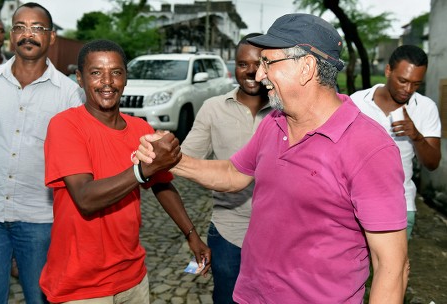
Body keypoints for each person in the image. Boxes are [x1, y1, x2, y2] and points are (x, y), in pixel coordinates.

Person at [134, 14, 410, 303]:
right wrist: (171, 159)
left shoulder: (370, 148)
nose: (258, 75)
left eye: (268, 62)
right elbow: (233, 173)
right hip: (250, 296)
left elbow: (391, 267)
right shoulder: (275, 122)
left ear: (307, 67)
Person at [39, 39, 211, 303]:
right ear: (79, 79)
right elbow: (85, 198)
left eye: (116, 72)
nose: (107, 81)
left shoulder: (140, 129)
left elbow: (162, 185)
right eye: (96, 72)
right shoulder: (65, 126)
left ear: (126, 78)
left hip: (132, 277)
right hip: (80, 284)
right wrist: (143, 169)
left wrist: (191, 234)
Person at [0, 3, 85, 303]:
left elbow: (82, 155)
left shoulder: (69, 95)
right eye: (20, 27)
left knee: (40, 297)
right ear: (11, 35)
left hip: (40, 218)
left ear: (51, 38)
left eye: (37, 28)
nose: (27, 35)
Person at [181, 33, 270, 303]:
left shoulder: (286, 112)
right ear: (234, 67)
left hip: (278, 235)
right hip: (228, 232)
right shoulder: (213, 109)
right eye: (243, 64)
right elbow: (185, 161)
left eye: (259, 63)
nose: (251, 71)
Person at [351, 45, 442, 240]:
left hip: (400, 207)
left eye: (416, 84)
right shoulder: (356, 103)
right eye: (403, 81)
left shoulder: (425, 108)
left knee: (392, 270)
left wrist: (416, 135)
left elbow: (432, 164)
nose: (408, 90)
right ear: (388, 71)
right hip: (353, 205)